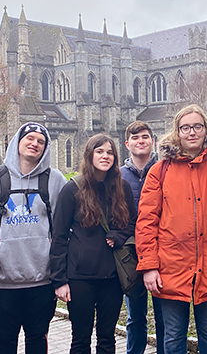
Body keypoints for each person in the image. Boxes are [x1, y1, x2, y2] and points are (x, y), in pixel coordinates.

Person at [136, 104, 207, 354]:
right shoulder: (159, 171)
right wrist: (149, 266)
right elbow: (146, 221)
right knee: (173, 335)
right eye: (186, 127)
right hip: (170, 266)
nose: (192, 132)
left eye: (197, 126)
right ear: (177, 132)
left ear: (206, 129)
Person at [0, 122, 67, 354]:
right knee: (4, 341)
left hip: (42, 280)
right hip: (2, 281)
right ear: (17, 141)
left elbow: (67, 225)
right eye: (30, 138)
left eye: (41, 141)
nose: (34, 144)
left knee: (37, 339)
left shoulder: (55, 180)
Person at [50, 134, 136, 354]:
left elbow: (134, 224)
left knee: (107, 338)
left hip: (113, 277)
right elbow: (58, 236)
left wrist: (118, 236)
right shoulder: (72, 190)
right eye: (100, 151)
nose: (105, 156)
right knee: (80, 338)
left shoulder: (122, 188)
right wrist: (59, 280)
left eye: (109, 152)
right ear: (89, 155)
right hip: (80, 278)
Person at [119, 121, 164, 354]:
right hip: (130, 254)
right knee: (135, 317)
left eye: (145, 137)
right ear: (127, 144)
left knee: (164, 316)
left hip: (162, 252)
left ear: (152, 141)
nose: (141, 141)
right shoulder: (118, 176)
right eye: (135, 138)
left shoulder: (166, 169)